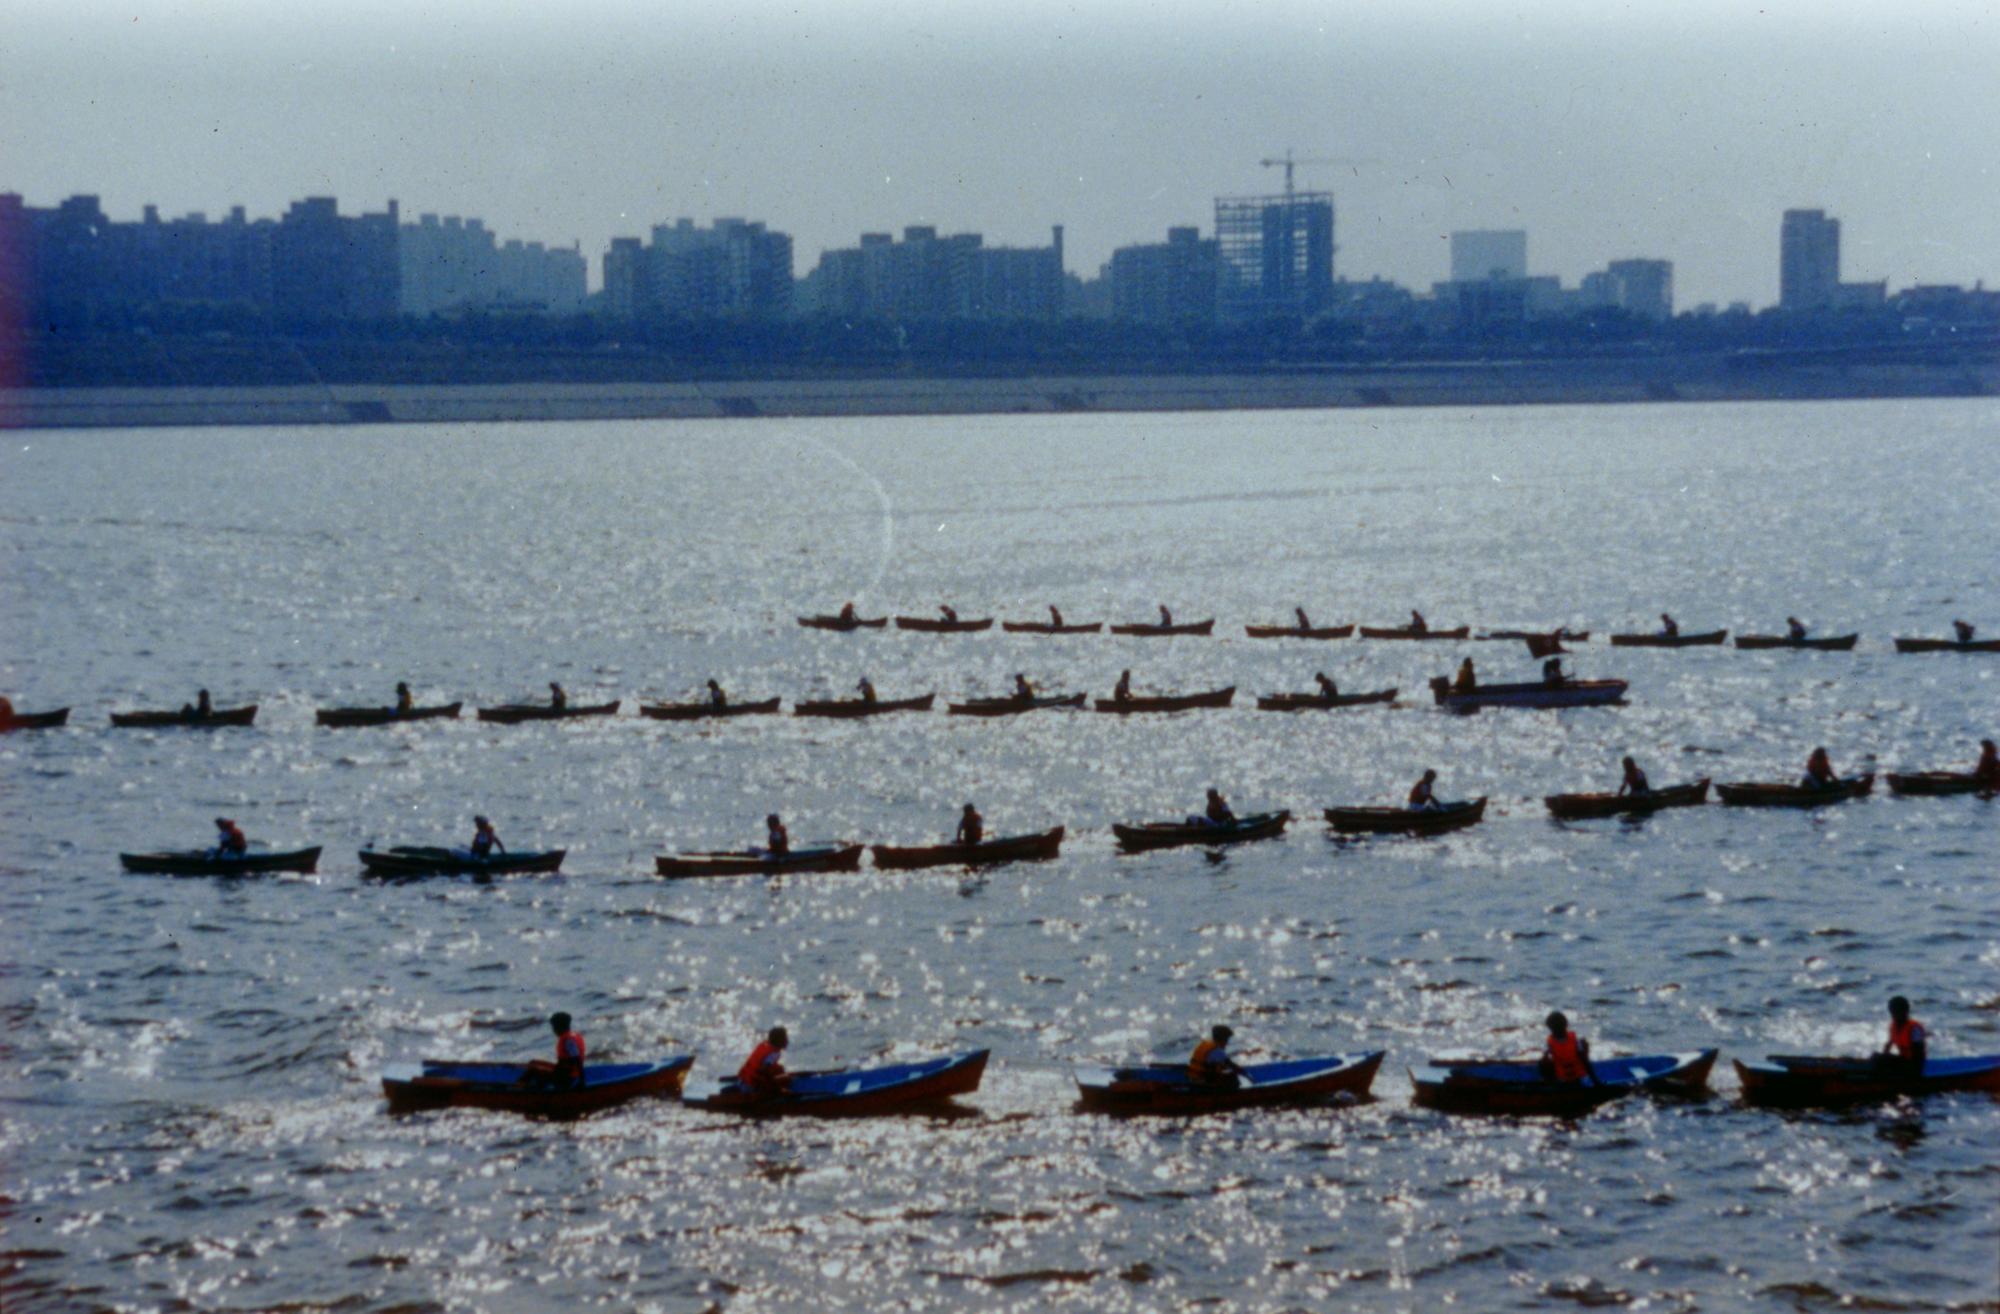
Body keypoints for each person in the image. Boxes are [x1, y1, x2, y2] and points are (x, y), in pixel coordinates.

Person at [525, 1011, 587, 1089]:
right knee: (533, 1063)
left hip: (567, 1076)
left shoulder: (569, 1040)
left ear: (559, 1027)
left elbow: (576, 1058)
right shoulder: (571, 1036)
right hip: (563, 1071)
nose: (553, 1030)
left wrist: (582, 1080)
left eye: (554, 1027)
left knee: (534, 1071)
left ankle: (524, 1090)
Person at [1539, 1011, 1599, 1086]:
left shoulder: (1575, 1041)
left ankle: (1551, 1085)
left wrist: (1595, 1081)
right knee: (1543, 1062)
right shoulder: (1550, 1043)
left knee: (1542, 1063)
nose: (1555, 1031)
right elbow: (1585, 1061)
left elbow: (1584, 1061)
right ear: (1566, 1025)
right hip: (1564, 1077)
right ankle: (1551, 1084)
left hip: (1574, 1078)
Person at [738, 1026, 791, 1096]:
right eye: (785, 1038)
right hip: (751, 1086)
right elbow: (764, 1070)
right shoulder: (773, 1053)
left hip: (743, 1081)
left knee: (779, 1069)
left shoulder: (765, 1045)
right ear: (780, 1041)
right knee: (786, 1079)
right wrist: (778, 1088)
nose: (787, 1041)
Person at [1880, 996, 1927, 1070]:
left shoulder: (1914, 1029)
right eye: (1892, 1012)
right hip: (1903, 1061)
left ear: (1906, 1011)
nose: (1893, 1015)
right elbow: (1888, 1045)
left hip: (1915, 1065)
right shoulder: (1894, 1026)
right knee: (1877, 1058)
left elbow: (1918, 1054)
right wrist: (1884, 1057)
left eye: (1896, 1011)